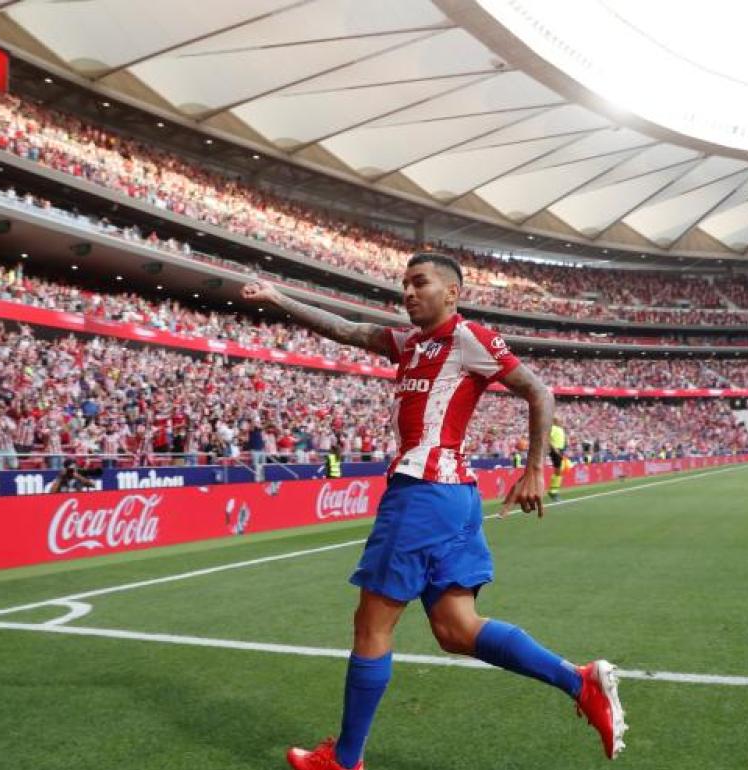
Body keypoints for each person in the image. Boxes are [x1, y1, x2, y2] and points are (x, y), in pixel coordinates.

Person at [243, 252, 626, 770]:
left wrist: (535, 468)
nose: (407, 292)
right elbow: (346, 329)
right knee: (455, 629)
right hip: (453, 497)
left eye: (419, 282)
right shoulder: (409, 344)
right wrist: (277, 298)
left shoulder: (467, 337)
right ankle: (579, 681)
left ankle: (345, 761)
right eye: (404, 283)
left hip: (422, 493)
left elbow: (538, 390)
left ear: (452, 293)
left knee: (372, 627)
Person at [548, 417, 568, 501]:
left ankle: (554, 490)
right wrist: (554, 448)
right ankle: (553, 492)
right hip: (556, 450)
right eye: (560, 420)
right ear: (555, 421)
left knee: (560, 470)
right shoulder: (553, 428)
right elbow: (547, 438)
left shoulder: (560, 429)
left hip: (561, 450)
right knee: (558, 471)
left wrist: (566, 444)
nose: (561, 421)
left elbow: (563, 440)